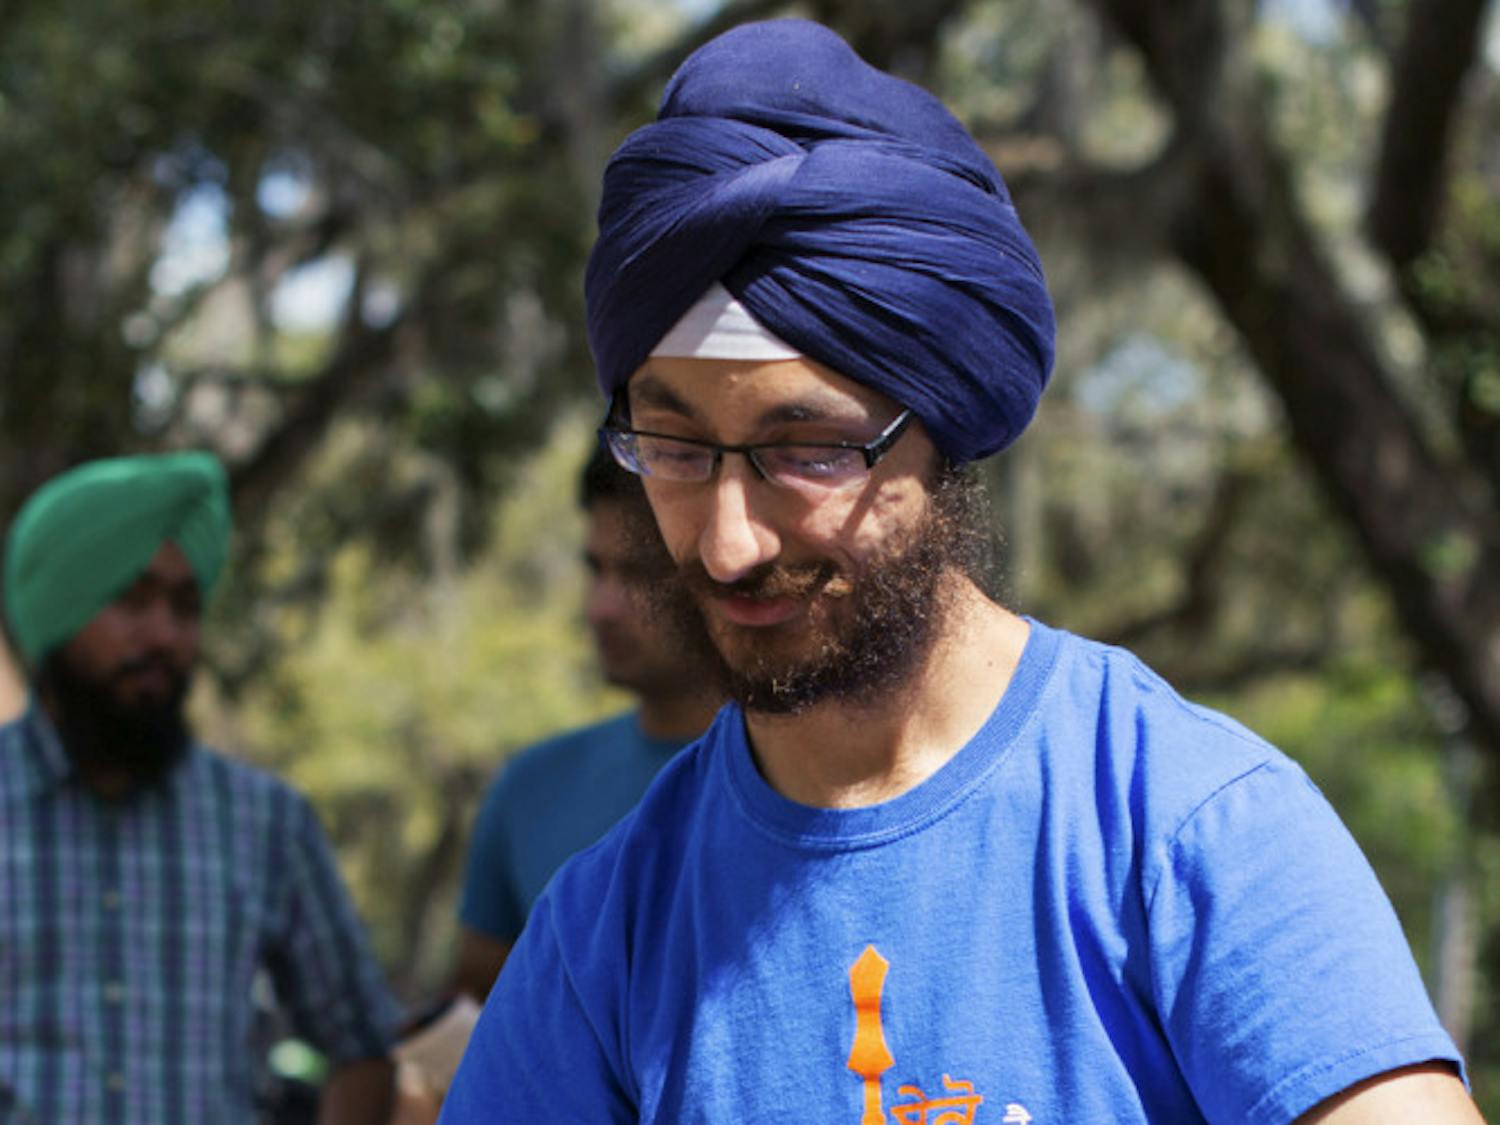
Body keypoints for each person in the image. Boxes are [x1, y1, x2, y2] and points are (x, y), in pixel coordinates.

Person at [441, 19, 1481, 1124]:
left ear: (942, 433)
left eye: (808, 450)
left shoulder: (1181, 830)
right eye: (678, 450)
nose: (728, 542)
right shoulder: (605, 934)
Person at [0, 451, 400, 1124]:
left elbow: (362, 1045)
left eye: (185, 606)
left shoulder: (266, 820)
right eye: (131, 598)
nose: (164, 634)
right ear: (59, 610)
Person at [453, 446, 720, 1001]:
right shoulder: (531, 787)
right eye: (596, 570)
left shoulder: (804, 777)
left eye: (639, 574)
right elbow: (477, 1007)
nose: (601, 607)